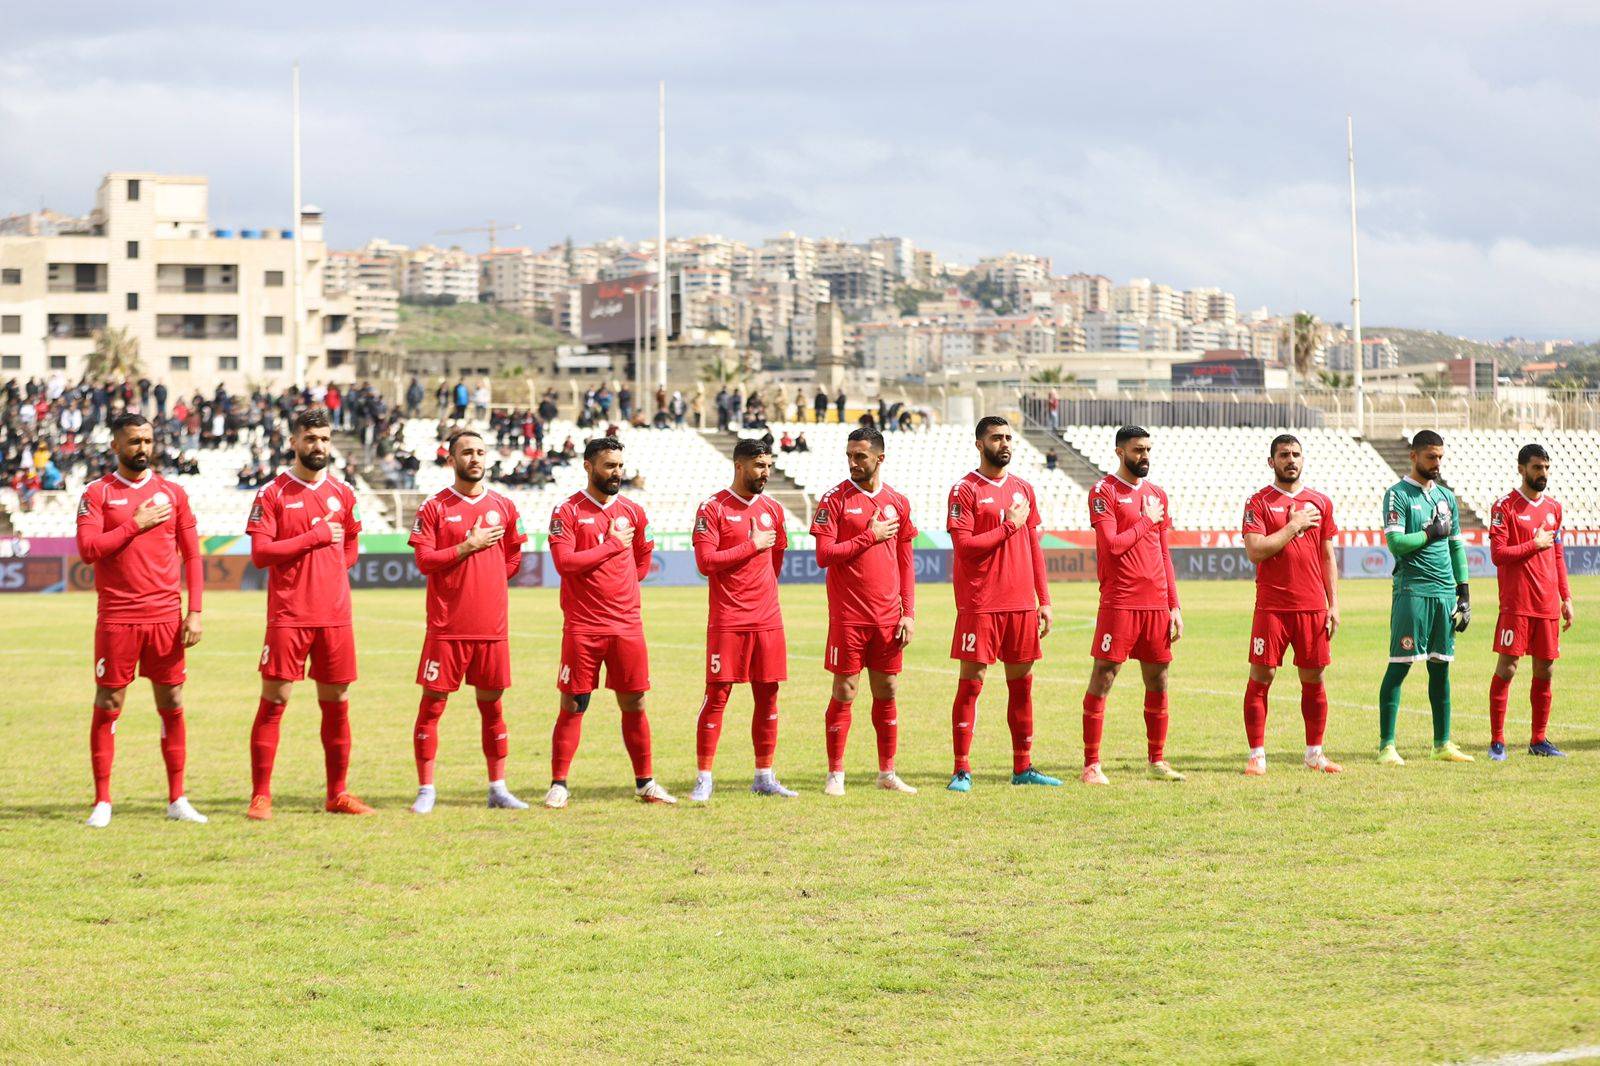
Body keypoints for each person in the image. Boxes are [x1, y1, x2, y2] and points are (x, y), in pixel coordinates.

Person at [76, 413, 206, 828]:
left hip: (166, 618)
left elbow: (193, 555)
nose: (142, 449)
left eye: (147, 440)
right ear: (116, 446)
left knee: (172, 703)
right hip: (117, 617)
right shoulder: (97, 493)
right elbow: (88, 548)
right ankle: (102, 801)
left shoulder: (173, 492)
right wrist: (136, 524)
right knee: (109, 702)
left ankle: (177, 798)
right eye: (133, 442)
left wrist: (196, 611)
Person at [245, 407, 374, 820]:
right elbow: (261, 553)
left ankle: (337, 793)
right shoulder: (272, 493)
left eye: (324, 439)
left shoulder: (344, 493)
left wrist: (336, 566)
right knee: (275, 700)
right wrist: (313, 537)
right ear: (294, 442)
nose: (318, 446)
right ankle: (261, 795)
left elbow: (351, 543)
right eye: (310, 439)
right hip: (288, 615)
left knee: (337, 701)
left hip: (335, 616)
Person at [544, 437, 675, 808]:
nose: (616, 473)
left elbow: (645, 559)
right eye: (609, 466)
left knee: (634, 702)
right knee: (573, 703)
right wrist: (610, 547)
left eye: (619, 466)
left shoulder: (634, 512)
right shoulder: (567, 511)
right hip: (583, 626)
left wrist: (624, 584)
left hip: (626, 625)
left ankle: (645, 783)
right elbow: (564, 564)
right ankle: (559, 784)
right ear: (589, 466)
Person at [407, 430, 529, 813]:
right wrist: (466, 548)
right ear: (451, 460)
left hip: (492, 628)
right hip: (447, 626)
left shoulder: (505, 506)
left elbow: (513, 559)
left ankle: (498, 787)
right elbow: (424, 561)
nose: (475, 458)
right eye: (466, 452)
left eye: (480, 452)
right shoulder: (435, 507)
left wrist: (487, 578)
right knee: (432, 706)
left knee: (493, 708)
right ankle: (426, 789)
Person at [945, 416, 1059, 792]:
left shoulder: (1023, 489)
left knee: (1022, 686)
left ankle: (1022, 768)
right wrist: (1008, 525)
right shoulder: (964, 489)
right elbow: (964, 546)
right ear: (980, 444)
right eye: (997, 438)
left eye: (1009, 437)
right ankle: (962, 770)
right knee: (972, 684)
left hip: (1021, 605)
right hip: (980, 604)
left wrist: (1044, 599)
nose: (1005, 443)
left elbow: (1033, 546)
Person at [812, 427, 917, 795]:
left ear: (879, 458)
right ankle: (835, 774)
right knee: (845, 688)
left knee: (887, 689)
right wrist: (868, 537)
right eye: (849, 456)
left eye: (860, 456)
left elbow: (906, 561)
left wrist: (909, 612)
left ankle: (887, 773)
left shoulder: (898, 502)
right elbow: (824, 555)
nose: (853, 463)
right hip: (849, 616)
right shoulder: (833, 500)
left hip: (888, 616)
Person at [1080, 426, 1185, 784]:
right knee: (1104, 676)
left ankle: (1157, 760)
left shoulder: (1157, 495)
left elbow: (1164, 551)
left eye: (1148, 450)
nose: (1145, 456)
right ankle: (1091, 764)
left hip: (1156, 603)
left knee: (1158, 679)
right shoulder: (1104, 492)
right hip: (1120, 601)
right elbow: (1112, 544)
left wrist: (1174, 604)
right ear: (1119, 452)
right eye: (1138, 450)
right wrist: (1146, 520)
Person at [690, 438, 794, 800]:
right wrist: (750, 545)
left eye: (768, 466)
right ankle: (704, 777)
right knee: (717, 695)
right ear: (739, 466)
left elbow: (776, 559)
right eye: (759, 466)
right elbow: (705, 563)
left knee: (769, 696)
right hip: (728, 619)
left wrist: (761, 585)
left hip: (768, 619)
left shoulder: (774, 510)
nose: (765, 473)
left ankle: (764, 776)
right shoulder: (713, 508)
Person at [1239, 434, 1342, 776]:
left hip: (1312, 605)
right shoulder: (1258, 502)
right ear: (1272, 462)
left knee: (1313, 678)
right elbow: (1256, 550)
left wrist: (1334, 604)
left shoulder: (1320, 503)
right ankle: (1257, 754)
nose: (1291, 460)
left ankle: (1315, 753)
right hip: (1272, 605)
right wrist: (1294, 525)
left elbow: (1327, 556)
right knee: (1262, 675)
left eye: (1296, 454)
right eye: (1284, 455)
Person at [1375, 430, 1474, 764]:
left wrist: (1464, 593)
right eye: (1431, 457)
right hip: (1412, 591)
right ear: (1414, 456)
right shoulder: (1397, 495)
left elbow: (1457, 545)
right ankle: (1386, 745)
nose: (1437, 463)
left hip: (1444, 593)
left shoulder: (1445, 497)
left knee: (1441, 668)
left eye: (1441, 457)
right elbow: (1397, 544)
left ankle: (1441, 744)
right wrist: (1430, 532)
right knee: (1400, 666)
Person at [1486, 443, 1574, 760]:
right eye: (1537, 467)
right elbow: (1498, 555)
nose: (1543, 474)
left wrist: (1566, 597)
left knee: (1545, 671)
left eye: (1547, 468)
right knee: (1508, 669)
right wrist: (1532, 544)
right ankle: (1497, 741)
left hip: (1548, 604)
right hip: (1517, 603)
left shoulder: (1554, 508)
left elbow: (1558, 554)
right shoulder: (1504, 507)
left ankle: (1539, 740)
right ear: (1522, 468)